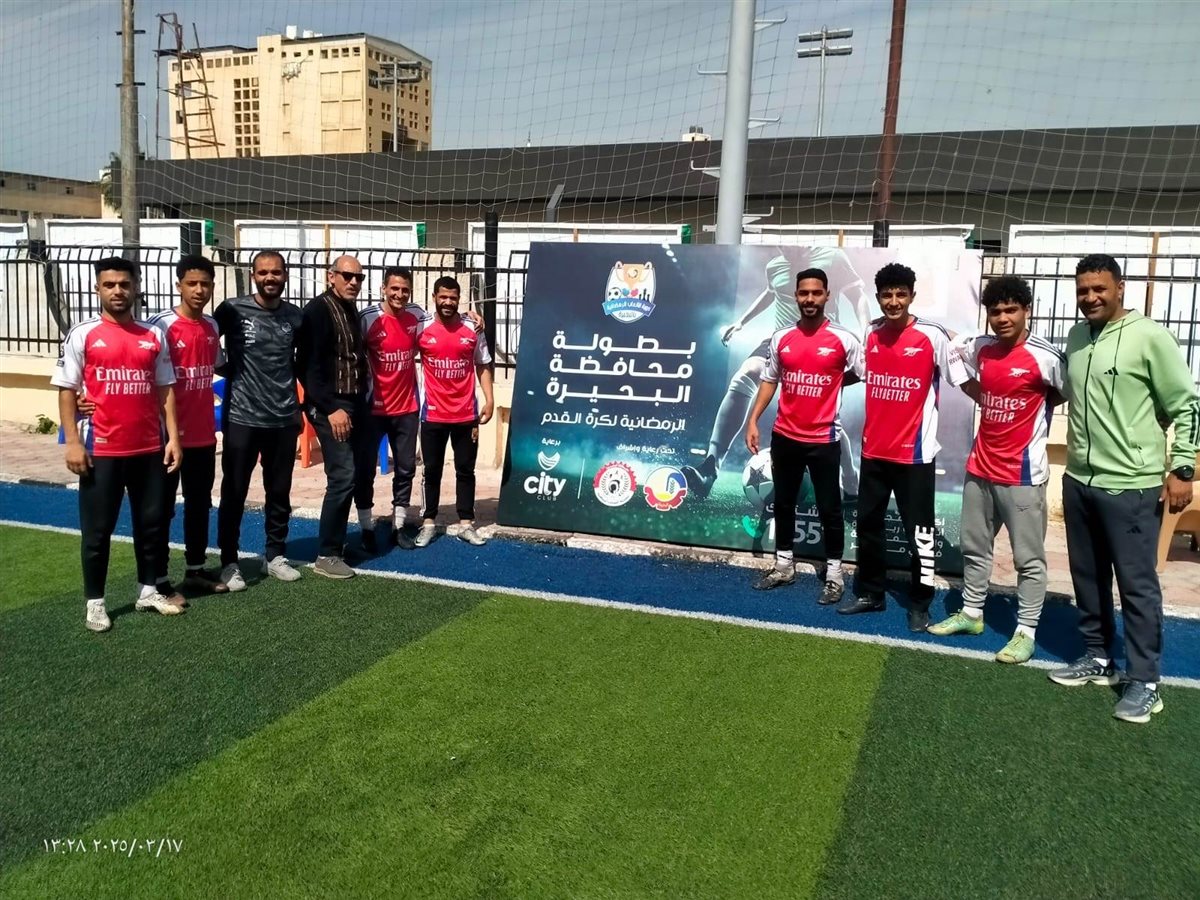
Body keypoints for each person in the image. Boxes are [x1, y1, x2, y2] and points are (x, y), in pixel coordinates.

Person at [1048, 254, 1198, 724]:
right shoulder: (1076, 337)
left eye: (1100, 288)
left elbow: (1187, 405)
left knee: (1136, 586)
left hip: (1132, 486)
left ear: (1120, 288)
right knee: (1087, 577)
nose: (1090, 297)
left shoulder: (1149, 336)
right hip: (1079, 480)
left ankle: (1145, 680)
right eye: (1083, 290)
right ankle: (1098, 655)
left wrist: (1183, 468)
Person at [927, 275, 1066, 664]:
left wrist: (1038, 403)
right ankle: (972, 613)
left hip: (1023, 476)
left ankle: (1026, 631)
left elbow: (1067, 390)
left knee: (1028, 559)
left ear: (1027, 311)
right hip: (980, 467)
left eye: (1011, 310)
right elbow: (954, 351)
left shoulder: (1046, 356)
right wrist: (979, 392)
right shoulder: (982, 348)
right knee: (974, 547)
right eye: (995, 311)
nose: (1003, 318)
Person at [52, 256, 184, 632]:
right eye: (109, 285)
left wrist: (173, 438)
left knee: (151, 524)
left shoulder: (152, 335)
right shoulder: (83, 333)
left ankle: (148, 591)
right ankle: (95, 602)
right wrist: (73, 442)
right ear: (97, 289)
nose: (118, 291)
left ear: (135, 288)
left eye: (124, 284)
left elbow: (165, 390)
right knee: (97, 531)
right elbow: (66, 390)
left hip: (148, 449)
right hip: (102, 450)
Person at [837, 263, 967, 632]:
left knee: (920, 533)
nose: (893, 301)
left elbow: (961, 377)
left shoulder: (932, 335)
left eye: (900, 294)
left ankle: (920, 602)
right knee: (869, 526)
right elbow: (858, 372)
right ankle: (871, 593)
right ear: (878, 298)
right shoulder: (871, 332)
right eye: (887, 295)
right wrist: (825, 379)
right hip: (874, 452)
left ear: (912, 296)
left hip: (915, 455)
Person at [684, 250, 869, 501]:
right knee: (746, 373)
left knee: (820, 419)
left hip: (821, 344)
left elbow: (857, 295)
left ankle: (850, 479)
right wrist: (741, 322)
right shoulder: (775, 265)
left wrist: (867, 333)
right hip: (780, 340)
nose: (784, 248)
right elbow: (771, 292)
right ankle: (710, 467)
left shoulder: (832, 257)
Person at [744, 268, 864, 603]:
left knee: (830, 508)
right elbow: (769, 380)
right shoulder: (781, 337)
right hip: (785, 436)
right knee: (784, 503)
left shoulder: (844, 339)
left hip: (824, 439)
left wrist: (834, 380)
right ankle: (784, 566)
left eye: (816, 293)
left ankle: (835, 575)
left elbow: (861, 372)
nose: (809, 299)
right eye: (803, 293)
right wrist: (753, 420)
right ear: (796, 296)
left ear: (827, 295)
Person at [213, 250, 305, 592]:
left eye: (276, 272)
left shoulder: (295, 316)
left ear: (285, 275)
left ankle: (275, 555)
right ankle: (229, 561)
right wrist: (225, 368)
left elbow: (304, 361)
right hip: (242, 417)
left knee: (278, 491)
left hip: (283, 418)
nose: (270, 278)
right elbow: (207, 337)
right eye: (263, 272)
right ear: (253, 276)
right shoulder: (231, 309)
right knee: (234, 491)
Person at [143, 255, 228, 601]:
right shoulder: (160, 326)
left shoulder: (211, 327)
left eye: (205, 284)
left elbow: (220, 366)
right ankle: (159, 580)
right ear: (178, 285)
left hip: (203, 434)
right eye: (192, 283)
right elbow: (138, 369)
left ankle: (195, 570)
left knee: (199, 504)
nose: (199, 290)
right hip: (165, 438)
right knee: (161, 508)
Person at [296, 254, 372, 578]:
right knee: (342, 476)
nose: (353, 282)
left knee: (353, 476)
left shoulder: (350, 307)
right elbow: (306, 366)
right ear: (331, 276)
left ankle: (338, 544)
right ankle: (326, 554)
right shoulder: (318, 310)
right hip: (331, 406)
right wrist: (330, 408)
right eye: (347, 276)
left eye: (359, 277)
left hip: (353, 403)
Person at [413, 276, 494, 548]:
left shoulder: (473, 326)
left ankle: (466, 524)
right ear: (434, 297)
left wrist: (490, 399)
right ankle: (428, 523)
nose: (448, 302)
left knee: (465, 471)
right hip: (432, 414)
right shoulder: (421, 325)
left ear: (459, 299)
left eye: (453, 298)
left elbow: (482, 364)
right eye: (443, 297)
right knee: (431, 471)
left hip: (466, 415)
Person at [354, 266, 428, 550]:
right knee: (365, 471)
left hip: (407, 407)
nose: (399, 294)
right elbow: (351, 353)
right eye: (394, 288)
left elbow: (442, 323)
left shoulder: (417, 315)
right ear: (383, 288)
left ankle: (398, 526)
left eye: (405, 290)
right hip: (373, 409)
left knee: (406, 469)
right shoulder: (368, 318)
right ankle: (366, 528)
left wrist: (472, 317)